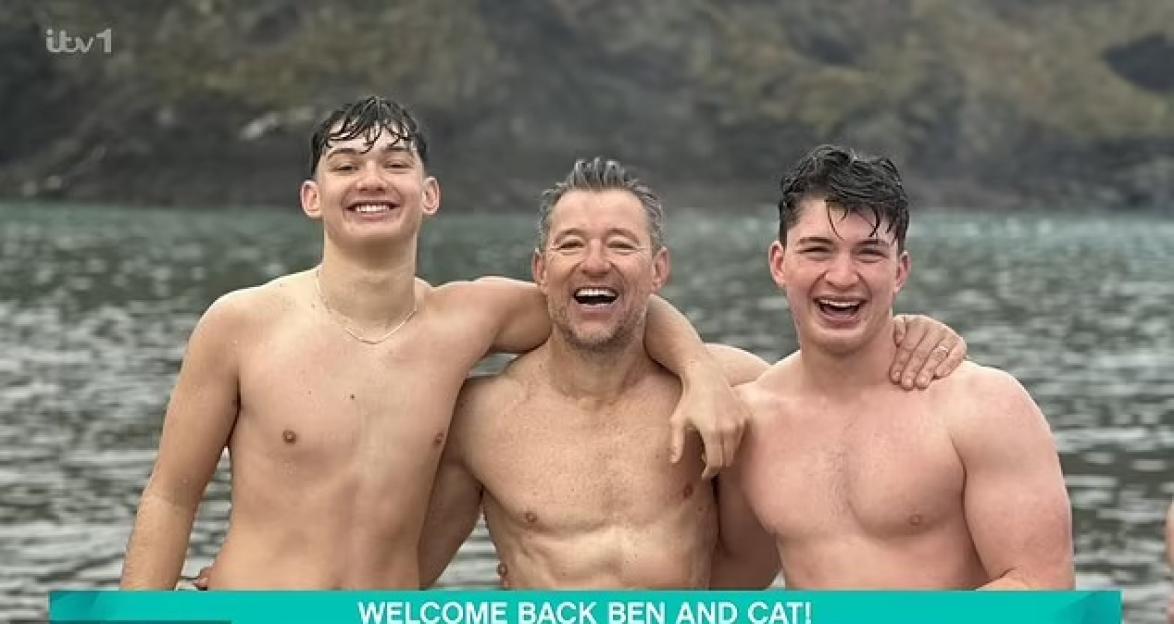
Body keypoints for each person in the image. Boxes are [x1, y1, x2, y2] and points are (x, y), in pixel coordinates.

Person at [118, 96, 757, 590]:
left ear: (429, 195)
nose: (372, 179)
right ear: (313, 198)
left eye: (395, 164)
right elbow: (172, 495)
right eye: (346, 167)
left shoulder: (466, 321)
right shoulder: (240, 323)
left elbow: (610, 303)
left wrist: (699, 372)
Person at [418, 157, 967, 588]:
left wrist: (908, 330)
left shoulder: (738, 388)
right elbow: (406, 582)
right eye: (570, 245)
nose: (594, 263)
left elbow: (844, 392)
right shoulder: (481, 416)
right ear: (541, 271)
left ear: (658, 270)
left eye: (621, 245)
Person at [716, 144, 1074, 589]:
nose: (843, 277)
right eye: (818, 250)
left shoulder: (984, 407)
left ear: (900, 270)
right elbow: (726, 592)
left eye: (868, 253)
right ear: (779, 263)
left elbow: (1042, 587)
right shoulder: (748, 423)